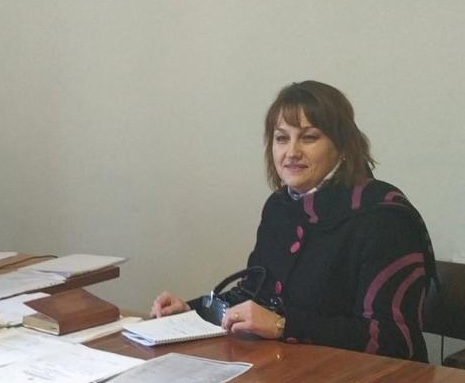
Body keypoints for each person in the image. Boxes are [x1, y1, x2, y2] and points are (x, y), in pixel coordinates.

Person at [152, 81, 435, 361]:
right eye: (282, 138)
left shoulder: (383, 217)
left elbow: (394, 340)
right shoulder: (279, 206)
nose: (292, 152)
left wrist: (282, 325)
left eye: (309, 138)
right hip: (289, 371)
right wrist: (191, 311)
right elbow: (254, 294)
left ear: (342, 146)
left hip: (369, 382)